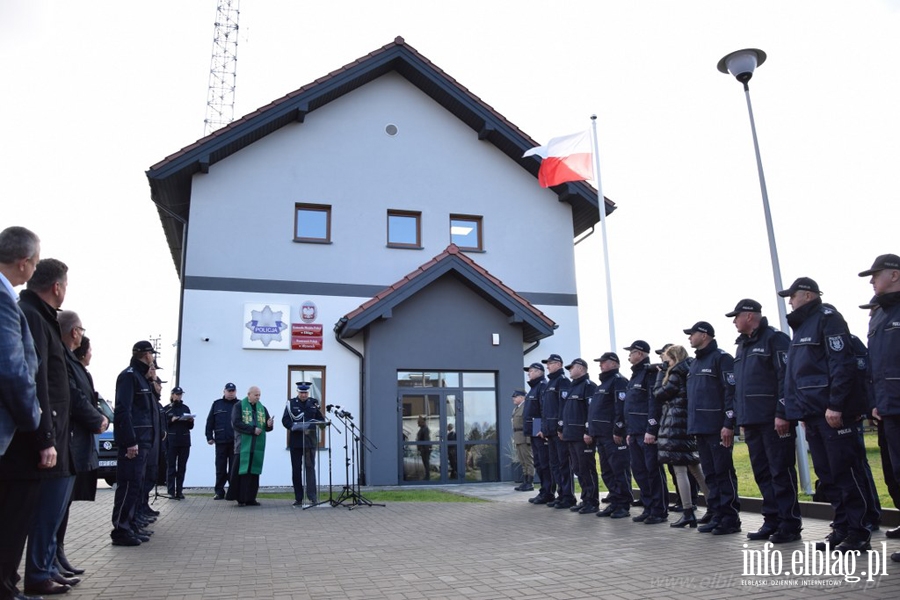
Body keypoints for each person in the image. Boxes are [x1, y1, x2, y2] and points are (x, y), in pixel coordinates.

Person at [779, 277, 870, 552]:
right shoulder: (802, 325)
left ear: (807, 295)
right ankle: (841, 528)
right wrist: (801, 413)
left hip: (831, 412)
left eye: (792, 296)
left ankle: (859, 532)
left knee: (845, 471)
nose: (790, 301)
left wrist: (837, 404)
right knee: (827, 474)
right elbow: (796, 376)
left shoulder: (828, 318)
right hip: (813, 414)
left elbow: (841, 363)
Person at [11, 259, 80, 596]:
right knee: (30, 515)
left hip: (54, 432)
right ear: (57, 287)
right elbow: (36, 380)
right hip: (43, 434)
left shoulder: (42, 317)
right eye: (66, 284)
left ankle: (45, 568)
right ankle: (36, 573)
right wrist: (46, 437)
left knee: (48, 513)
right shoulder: (33, 317)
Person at [727, 299, 802, 543]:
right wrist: (740, 419)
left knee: (780, 471)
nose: (734, 321)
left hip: (773, 420)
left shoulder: (774, 339)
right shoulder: (742, 346)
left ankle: (789, 524)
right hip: (752, 422)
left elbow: (786, 378)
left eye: (736, 316)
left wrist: (782, 413)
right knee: (762, 473)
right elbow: (739, 387)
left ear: (749, 316)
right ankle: (772, 520)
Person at [0, 226, 42, 600]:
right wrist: (33, 421)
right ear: (25, 263)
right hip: (10, 433)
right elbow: (13, 369)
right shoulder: (3, 297)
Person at [57, 312, 107, 577]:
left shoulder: (77, 368)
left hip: (76, 443)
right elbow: (75, 399)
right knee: (54, 509)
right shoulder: (67, 362)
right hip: (70, 441)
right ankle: (48, 562)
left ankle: (56, 556)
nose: (91, 355)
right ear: (76, 333)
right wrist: (97, 419)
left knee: (62, 509)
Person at [860, 255, 900, 562]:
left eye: (876, 275)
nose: (872, 281)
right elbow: (876, 367)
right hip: (888, 409)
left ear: (895, 276)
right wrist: (874, 402)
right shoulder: (882, 316)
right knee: (894, 474)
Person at [684, 321, 740, 535]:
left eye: (692, 334)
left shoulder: (721, 358)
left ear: (704, 335)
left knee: (723, 473)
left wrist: (728, 423)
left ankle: (730, 518)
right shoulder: (696, 363)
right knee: (710, 475)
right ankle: (717, 514)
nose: (689, 338)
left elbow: (730, 392)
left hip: (717, 428)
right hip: (700, 428)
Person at [652, 345, 709, 528]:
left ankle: (688, 511)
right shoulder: (688, 371)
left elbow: (659, 394)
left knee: (680, 470)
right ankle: (713, 507)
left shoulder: (675, 374)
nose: (663, 361)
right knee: (696, 468)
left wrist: (661, 374)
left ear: (673, 358)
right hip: (687, 423)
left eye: (666, 359)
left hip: (676, 425)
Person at [110, 340, 158, 547]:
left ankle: (130, 525)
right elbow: (122, 410)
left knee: (136, 486)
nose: (153, 358)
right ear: (147, 355)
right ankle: (121, 530)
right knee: (128, 485)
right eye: (152, 355)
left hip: (145, 442)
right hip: (135, 443)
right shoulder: (129, 376)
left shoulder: (141, 377)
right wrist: (130, 440)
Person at [623, 340, 667, 524]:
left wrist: (651, 429)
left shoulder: (649, 374)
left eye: (631, 352)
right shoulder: (635, 375)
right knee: (639, 471)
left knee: (652, 471)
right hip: (634, 432)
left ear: (640, 354)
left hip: (646, 433)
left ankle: (659, 510)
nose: (629, 356)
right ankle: (648, 507)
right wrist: (629, 431)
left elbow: (653, 403)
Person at [589, 352, 632, 519]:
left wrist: (618, 430)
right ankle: (614, 501)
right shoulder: (603, 384)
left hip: (613, 435)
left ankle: (623, 504)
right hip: (601, 435)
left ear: (614, 363)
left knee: (619, 470)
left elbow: (620, 407)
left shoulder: (618, 381)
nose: (601, 365)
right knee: (607, 472)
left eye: (604, 362)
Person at [561, 358, 598, 513]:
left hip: (582, 437)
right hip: (571, 435)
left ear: (581, 368)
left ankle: (592, 501)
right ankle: (585, 498)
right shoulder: (572, 387)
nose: (569, 370)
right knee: (578, 469)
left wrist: (588, 432)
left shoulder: (589, 386)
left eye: (572, 367)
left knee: (586, 468)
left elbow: (591, 411)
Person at [227, 386, 273, 506]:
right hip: (242, 445)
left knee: (254, 473)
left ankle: (251, 498)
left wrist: (269, 424)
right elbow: (236, 423)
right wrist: (252, 430)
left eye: (259, 395)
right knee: (242, 472)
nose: (258, 397)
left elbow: (267, 428)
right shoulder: (238, 406)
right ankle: (240, 498)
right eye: (256, 395)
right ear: (249, 394)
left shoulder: (262, 408)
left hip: (257, 446)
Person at [283, 382, 325, 505]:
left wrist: (311, 425)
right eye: (301, 392)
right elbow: (285, 420)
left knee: (310, 468)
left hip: (310, 441)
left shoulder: (313, 403)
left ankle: (312, 497)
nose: (303, 395)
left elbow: (321, 420)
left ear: (308, 393)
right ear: (298, 392)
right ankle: (298, 498)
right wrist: (293, 426)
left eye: (306, 392)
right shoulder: (291, 404)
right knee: (296, 470)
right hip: (296, 442)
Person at [540, 353, 573, 509]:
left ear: (559, 364)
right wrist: (543, 428)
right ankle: (561, 494)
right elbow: (545, 410)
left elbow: (564, 406)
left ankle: (568, 496)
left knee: (563, 464)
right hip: (549, 431)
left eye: (551, 363)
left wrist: (561, 427)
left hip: (558, 431)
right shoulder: (549, 384)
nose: (548, 366)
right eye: (547, 364)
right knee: (554, 465)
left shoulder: (563, 381)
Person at [523, 362, 552, 504]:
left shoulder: (542, 387)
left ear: (539, 372)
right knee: (539, 463)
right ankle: (544, 491)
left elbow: (544, 409)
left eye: (532, 371)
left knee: (544, 463)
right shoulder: (533, 388)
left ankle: (548, 492)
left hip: (538, 428)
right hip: (533, 429)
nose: (529, 373)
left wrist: (541, 429)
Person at [206, 382, 239, 499]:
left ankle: (233, 491)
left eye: (233, 391)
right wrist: (209, 437)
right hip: (220, 441)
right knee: (220, 467)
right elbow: (210, 422)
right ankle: (219, 491)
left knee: (233, 469)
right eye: (229, 391)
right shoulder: (217, 404)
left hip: (235, 442)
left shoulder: (239, 404)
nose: (231, 393)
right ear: (224, 391)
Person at [163, 387, 193, 500]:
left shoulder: (186, 408)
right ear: (172, 395)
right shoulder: (167, 409)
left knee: (182, 467)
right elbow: (163, 425)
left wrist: (190, 421)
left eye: (180, 394)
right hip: (171, 442)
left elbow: (191, 427)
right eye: (176, 394)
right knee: (171, 467)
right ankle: (171, 491)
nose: (179, 396)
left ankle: (179, 491)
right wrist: (171, 420)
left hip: (184, 441)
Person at [511, 389, 534, 491]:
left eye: (516, 397)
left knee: (528, 460)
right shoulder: (517, 408)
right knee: (522, 460)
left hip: (525, 437)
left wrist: (529, 439)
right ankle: (525, 481)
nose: (513, 399)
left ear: (522, 397)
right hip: (518, 437)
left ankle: (530, 482)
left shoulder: (526, 407)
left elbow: (529, 423)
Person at [415, 415, 431, 480]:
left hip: (425, 450)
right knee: (425, 462)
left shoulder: (425, 429)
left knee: (426, 462)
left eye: (419, 422)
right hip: (423, 449)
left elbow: (426, 440)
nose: (417, 423)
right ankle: (427, 476)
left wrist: (424, 449)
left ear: (422, 422)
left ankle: (427, 476)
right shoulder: (422, 429)